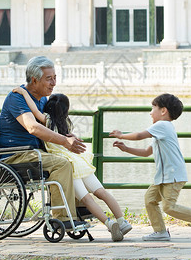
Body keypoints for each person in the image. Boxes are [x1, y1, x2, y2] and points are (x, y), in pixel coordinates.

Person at [12, 90, 133, 242]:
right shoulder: (66, 122)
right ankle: (122, 220)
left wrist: (23, 93)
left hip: (67, 163)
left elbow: (34, 110)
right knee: (101, 191)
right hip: (79, 161)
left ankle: (109, 223)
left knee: (87, 198)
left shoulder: (47, 120)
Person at [0, 56, 88, 230]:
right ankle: (62, 217)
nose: (53, 83)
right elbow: (33, 127)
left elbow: (49, 125)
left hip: (34, 153)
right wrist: (64, 141)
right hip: (16, 155)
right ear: (34, 80)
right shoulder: (16, 98)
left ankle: (78, 208)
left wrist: (67, 136)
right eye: (49, 79)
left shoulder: (42, 100)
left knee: (74, 160)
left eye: (55, 77)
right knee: (62, 164)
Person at [109, 93, 191, 241]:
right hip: (163, 176)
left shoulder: (162, 125)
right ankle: (160, 232)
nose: (150, 112)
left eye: (153, 108)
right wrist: (126, 149)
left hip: (173, 175)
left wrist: (121, 135)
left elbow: (139, 135)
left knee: (168, 206)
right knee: (150, 199)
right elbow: (146, 152)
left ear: (163, 111)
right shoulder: (162, 130)